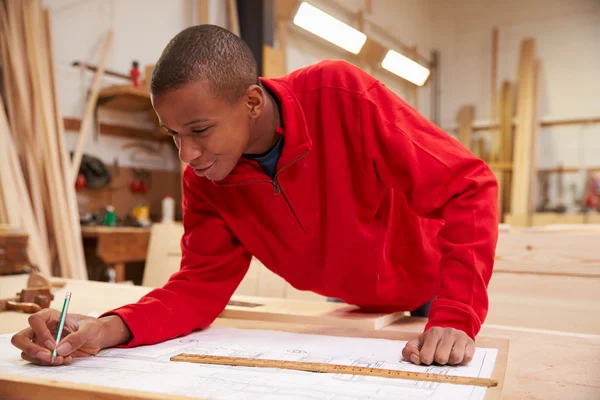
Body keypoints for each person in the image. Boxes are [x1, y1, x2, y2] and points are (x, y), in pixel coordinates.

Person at [11, 25, 498, 368]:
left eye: (199, 130)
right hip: (355, 303)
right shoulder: (208, 177)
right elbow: (197, 288)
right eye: (174, 135)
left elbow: (468, 186)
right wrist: (106, 328)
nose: (188, 155)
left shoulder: (341, 96)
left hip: (436, 292)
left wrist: (457, 313)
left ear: (251, 101)